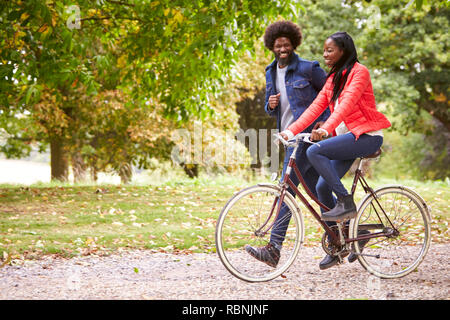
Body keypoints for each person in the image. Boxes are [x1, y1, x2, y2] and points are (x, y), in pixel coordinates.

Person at [280, 31, 392, 269]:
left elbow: (347, 105)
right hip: (348, 137)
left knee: (314, 151)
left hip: (367, 136)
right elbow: (314, 108)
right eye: (324, 50)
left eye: (330, 50)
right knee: (321, 187)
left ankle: (345, 201)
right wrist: (290, 132)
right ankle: (341, 241)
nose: (325, 54)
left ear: (344, 51)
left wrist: (326, 129)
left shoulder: (359, 72)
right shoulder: (333, 79)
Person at [245, 21, 330, 268]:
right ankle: (342, 234)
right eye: (278, 44)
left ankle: (274, 249)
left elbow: (331, 95)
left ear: (293, 43)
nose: (282, 47)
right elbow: (272, 109)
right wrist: (270, 105)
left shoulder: (308, 68)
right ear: (272, 46)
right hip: (289, 139)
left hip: (308, 138)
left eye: (286, 43)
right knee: (317, 191)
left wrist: (323, 123)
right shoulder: (270, 71)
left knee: (286, 190)